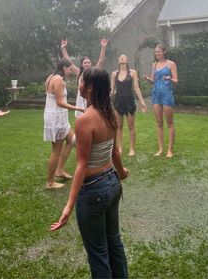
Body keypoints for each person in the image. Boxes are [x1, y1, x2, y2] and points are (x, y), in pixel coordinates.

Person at [50, 67, 129, 279]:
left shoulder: (85, 120)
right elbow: (114, 152)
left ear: (91, 88)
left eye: (81, 82)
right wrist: (121, 172)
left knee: (98, 253)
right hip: (112, 184)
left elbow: (81, 165)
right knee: (114, 243)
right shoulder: (109, 113)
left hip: (94, 192)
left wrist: (68, 207)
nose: (79, 85)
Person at [44, 58, 84, 189]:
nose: (70, 71)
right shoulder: (58, 79)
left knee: (72, 141)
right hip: (56, 119)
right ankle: (50, 182)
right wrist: (78, 108)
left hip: (59, 118)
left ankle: (59, 170)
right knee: (56, 150)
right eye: (69, 69)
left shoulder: (52, 77)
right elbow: (60, 102)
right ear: (64, 68)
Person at [143, 44, 178, 158]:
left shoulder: (171, 64)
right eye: (156, 52)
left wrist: (170, 79)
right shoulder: (155, 64)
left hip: (167, 94)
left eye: (158, 51)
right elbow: (153, 80)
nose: (157, 53)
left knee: (170, 123)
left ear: (164, 52)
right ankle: (161, 149)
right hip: (156, 95)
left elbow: (176, 81)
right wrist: (149, 79)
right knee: (159, 123)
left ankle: (170, 150)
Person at [61, 38, 108, 117]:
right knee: (81, 121)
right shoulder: (79, 72)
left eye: (88, 62)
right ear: (82, 64)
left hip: (92, 99)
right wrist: (63, 48)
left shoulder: (94, 72)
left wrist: (103, 47)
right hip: (80, 99)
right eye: (85, 63)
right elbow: (68, 61)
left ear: (91, 63)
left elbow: (101, 61)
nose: (87, 64)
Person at [111, 54, 147, 156]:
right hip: (118, 102)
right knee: (119, 126)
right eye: (120, 57)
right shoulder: (114, 74)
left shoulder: (132, 72)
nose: (122, 58)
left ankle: (132, 148)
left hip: (129, 101)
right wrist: (105, 99)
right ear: (118, 61)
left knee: (131, 126)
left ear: (127, 60)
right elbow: (112, 89)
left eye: (124, 57)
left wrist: (142, 102)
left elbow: (136, 88)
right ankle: (120, 147)